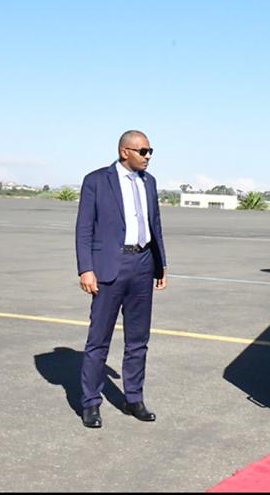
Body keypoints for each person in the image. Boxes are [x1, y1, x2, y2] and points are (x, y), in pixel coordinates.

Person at [76, 130, 168, 429]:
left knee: (138, 339)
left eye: (150, 151)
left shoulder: (149, 182)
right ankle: (91, 403)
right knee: (98, 340)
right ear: (124, 151)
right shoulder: (96, 180)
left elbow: (155, 225)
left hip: (143, 264)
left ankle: (134, 398)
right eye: (143, 151)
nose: (148, 156)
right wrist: (86, 269)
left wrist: (161, 264)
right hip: (109, 267)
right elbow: (84, 228)